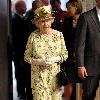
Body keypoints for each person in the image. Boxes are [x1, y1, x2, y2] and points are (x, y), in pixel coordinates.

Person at [24, 5, 68, 100]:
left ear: (51, 21)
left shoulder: (58, 35)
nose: (45, 24)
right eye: (42, 21)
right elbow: (26, 57)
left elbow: (65, 54)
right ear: (37, 23)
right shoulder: (33, 36)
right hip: (38, 80)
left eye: (47, 21)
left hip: (55, 79)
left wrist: (56, 59)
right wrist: (39, 62)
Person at [75, 0, 100, 99]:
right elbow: (80, 44)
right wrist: (80, 66)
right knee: (88, 95)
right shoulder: (85, 17)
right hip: (91, 65)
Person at [63, 1, 82, 100]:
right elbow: (64, 40)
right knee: (68, 81)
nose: (67, 10)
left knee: (82, 83)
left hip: (83, 57)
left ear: (76, 7)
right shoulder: (66, 21)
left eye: (69, 8)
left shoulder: (85, 20)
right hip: (69, 56)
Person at [12, 0, 27, 99]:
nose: (25, 8)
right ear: (18, 8)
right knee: (19, 74)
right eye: (23, 7)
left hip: (23, 52)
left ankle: (23, 92)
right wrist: (20, 56)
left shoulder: (23, 18)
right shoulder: (15, 19)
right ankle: (21, 93)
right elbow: (17, 40)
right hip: (19, 53)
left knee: (23, 74)